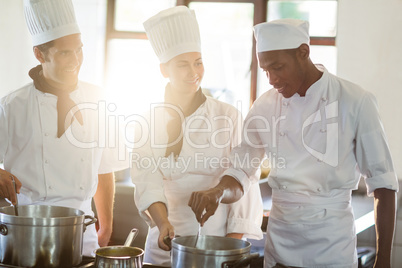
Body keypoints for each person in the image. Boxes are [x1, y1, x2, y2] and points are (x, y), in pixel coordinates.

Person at [188, 19, 399, 268]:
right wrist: (218, 191)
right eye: (265, 70)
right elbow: (240, 170)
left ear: (303, 53)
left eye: (277, 67)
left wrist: (384, 259)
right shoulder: (264, 106)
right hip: (279, 248)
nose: (271, 79)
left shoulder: (355, 101)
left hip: (331, 250)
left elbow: (383, 185)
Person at [131, 6, 263, 266]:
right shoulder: (146, 120)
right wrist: (163, 223)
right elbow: (146, 180)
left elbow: (244, 181)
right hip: (163, 246)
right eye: (182, 64)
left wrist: (231, 250)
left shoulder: (228, 117)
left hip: (215, 248)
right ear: (164, 69)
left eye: (198, 62)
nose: (194, 72)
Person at [0, 0, 128, 256]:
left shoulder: (101, 100)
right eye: (65, 53)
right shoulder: (12, 106)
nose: (76, 60)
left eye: (79, 50)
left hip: (82, 232)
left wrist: (106, 224)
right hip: (26, 233)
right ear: (39, 54)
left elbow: (105, 169)